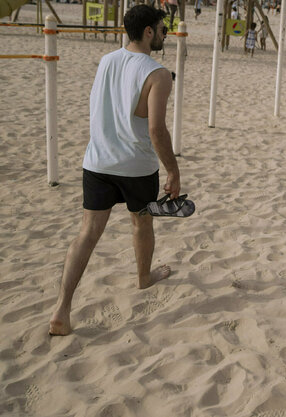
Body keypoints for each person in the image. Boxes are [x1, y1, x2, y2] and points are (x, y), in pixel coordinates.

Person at [49, 4, 181, 336]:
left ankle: (62, 309)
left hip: (97, 161)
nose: (165, 34)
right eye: (163, 29)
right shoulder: (157, 72)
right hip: (136, 165)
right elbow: (156, 130)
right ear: (149, 31)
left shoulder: (107, 61)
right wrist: (173, 171)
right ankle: (144, 278)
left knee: (87, 233)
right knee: (142, 222)